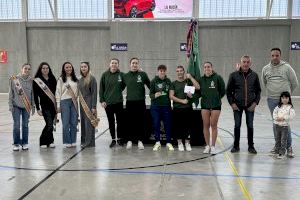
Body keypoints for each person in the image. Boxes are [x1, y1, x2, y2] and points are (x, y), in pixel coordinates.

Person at [262, 47, 298, 157]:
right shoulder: (266, 69)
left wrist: (286, 96)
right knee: (276, 123)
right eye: (273, 55)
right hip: (271, 100)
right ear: (270, 56)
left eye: (277, 55)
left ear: (280, 56)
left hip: (284, 102)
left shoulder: (287, 67)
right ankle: (277, 146)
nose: (275, 57)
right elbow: (264, 83)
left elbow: (294, 82)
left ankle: (289, 147)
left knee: (285, 124)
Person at [227, 55, 261, 154]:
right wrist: (232, 103)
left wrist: (255, 103)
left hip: (250, 105)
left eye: (247, 62)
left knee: (250, 126)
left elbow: (258, 91)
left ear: (250, 63)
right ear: (240, 63)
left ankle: (251, 146)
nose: (245, 64)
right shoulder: (233, 75)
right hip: (237, 106)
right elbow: (228, 91)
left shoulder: (254, 75)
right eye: (244, 62)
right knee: (237, 126)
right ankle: (236, 146)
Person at [169, 65, 200, 151]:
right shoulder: (173, 83)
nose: (179, 72)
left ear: (184, 72)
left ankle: (187, 143)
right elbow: (171, 96)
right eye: (178, 71)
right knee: (178, 126)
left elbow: (198, 87)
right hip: (177, 108)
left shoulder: (188, 82)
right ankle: (180, 143)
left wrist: (191, 77)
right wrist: (182, 101)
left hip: (188, 108)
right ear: (176, 72)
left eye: (181, 71)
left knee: (188, 126)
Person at [123, 57, 150, 150]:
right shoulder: (125, 76)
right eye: (133, 63)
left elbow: (150, 85)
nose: (134, 65)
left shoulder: (143, 74)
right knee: (130, 122)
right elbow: (120, 88)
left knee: (140, 122)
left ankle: (140, 141)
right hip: (130, 102)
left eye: (136, 63)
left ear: (138, 65)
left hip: (140, 102)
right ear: (130, 64)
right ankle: (129, 141)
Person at [200, 62, 225, 155]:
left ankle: (213, 146)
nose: (207, 68)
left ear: (212, 68)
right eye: (205, 67)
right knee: (206, 125)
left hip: (216, 106)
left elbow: (223, 91)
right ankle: (207, 146)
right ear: (204, 68)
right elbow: (199, 91)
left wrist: (216, 98)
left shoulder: (218, 78)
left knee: (213, 125)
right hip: (205, 106)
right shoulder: (201, 79)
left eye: (208, 67)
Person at [9, 63, 35, 151]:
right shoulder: (14, 79)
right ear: (21, 69)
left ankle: (24, 143)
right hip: (16, 106)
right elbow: (11, 93)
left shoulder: (32, 80)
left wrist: (33, 106)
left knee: (25, 125)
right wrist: (10, 105)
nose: (27, 70)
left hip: (27, 106)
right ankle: (16, 143)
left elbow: (33, 94)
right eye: (25, 68)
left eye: (29, 69)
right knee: (16, 125)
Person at [100, 58, 125, 148]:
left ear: (118, 65)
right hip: (108, 103)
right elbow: (101, 89)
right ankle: (113, 139)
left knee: (120, 122)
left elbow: (127, 82)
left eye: (116, 63)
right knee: (111, 122)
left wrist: (139, 73)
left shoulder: (121, 75)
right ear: (109, 64)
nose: (114, 64)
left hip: (118, 102)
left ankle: (120, 139)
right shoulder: (105, 75)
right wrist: (102, 100)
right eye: (112, 63)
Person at [150, 65, 174, 151]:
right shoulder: (153, 81)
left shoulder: (168, 81)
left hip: (166, 106)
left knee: (167, 124)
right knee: (156, 124)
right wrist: (155, 95)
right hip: (155, 107)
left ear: (165, 72)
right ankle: (157, 142)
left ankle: (168, 142)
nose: (162, 72)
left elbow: (171, 93)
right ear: (158, 71)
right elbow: (150, 95)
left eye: (164, 71)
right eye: (160, 71)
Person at [33, 62, 57, 148]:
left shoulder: (52, 78)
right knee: (49, 123)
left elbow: (56, 92)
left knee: (50, 124)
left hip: (53, 105)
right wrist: (38, 108)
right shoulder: (37, 80)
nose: (45, 70)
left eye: (47, 68)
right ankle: (43, 141)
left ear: (49, 69)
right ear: (40, 69)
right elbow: (35, 96)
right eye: (43, 68)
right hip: (44, 105)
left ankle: (50, 141)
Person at [55, 62, 78, 148]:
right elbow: (58, 92)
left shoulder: (76, 79)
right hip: (64, 101)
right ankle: (67, 141)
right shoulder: (61, 79)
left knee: (73, 122)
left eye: (70, 67)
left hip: (74, 102)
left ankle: (73, 140)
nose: (68, 69)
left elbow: (78, 92)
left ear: (72, 68)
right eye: (66, 67)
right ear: (64, 69)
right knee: (65, 123)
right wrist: (58, 105)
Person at [78, 62, 98, 147]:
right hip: (82, 103)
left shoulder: (92, 78)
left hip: (89, 102)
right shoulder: (80, 79)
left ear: (88, 68)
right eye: (82, 67)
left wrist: (93, 106)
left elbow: (94, 93)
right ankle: (84, 140)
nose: (83, 68)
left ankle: (89, 142)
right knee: (83, 122)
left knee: (89, 123)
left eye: (85, 67)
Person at [273, 91, 296, 159]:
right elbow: (274, 113)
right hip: (277, 125)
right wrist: (276, 118)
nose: (284, 99)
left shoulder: (290, 107)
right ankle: (277, 151)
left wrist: (283, 118)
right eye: (283, 98)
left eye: (286, 98)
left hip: (284, 127)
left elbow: (292, 116)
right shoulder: (278, 106)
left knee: (283, 140)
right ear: (281, 99)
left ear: (289, 99)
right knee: (277, 139)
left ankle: (282, 153)